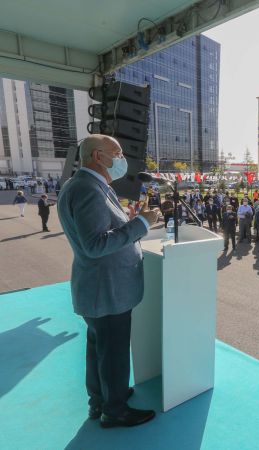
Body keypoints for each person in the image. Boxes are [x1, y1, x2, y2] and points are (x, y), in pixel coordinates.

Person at [57, 135, 159, 428]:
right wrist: (142, 224)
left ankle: (101, 399)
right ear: (98, 156)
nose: (122, 158)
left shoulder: (86, 185)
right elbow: (96, 245)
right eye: (117, 152)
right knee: (113, 350)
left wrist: (128, 221)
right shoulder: (89, 189)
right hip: (107, 289)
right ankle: (114, 410)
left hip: (99, 287)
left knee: (99, 347)